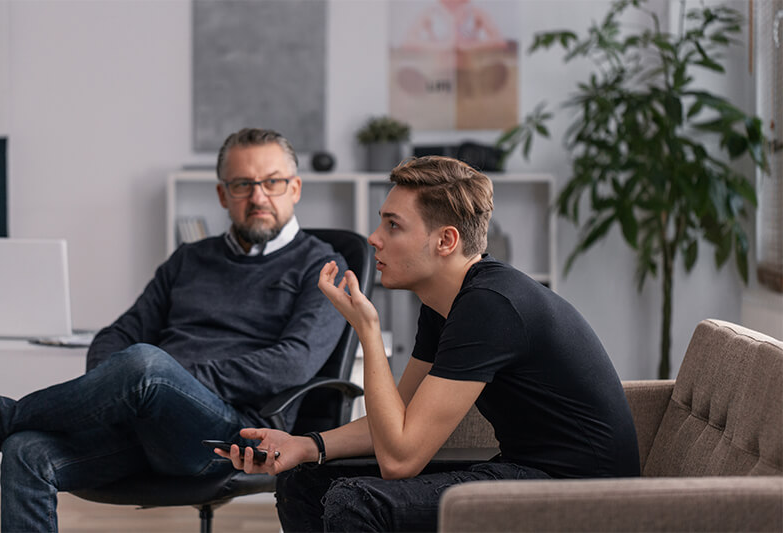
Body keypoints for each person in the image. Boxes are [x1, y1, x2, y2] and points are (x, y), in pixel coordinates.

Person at [215, 155, 640, 532]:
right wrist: (306, 446)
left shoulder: (490, 306)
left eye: (393, 225)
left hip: (581, 494)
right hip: (526, 472)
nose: (374, 238)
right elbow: (395, 423)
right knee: (304, 480)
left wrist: (367, 329)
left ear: (446, 241)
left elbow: (400, 461)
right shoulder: (445, 303)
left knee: (357, 502)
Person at [0, 127, 348, 533]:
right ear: (223, 195)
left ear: (295, 188)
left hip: (231, 434)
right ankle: (6, 427)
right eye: (243, 184)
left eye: (272, 182)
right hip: (145, 419)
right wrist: (117, 386)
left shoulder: (322, 267)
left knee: (146, 365)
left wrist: (170, 380)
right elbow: (116, 336)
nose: (258, 196)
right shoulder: (189, 259)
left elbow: (293, 363)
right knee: (24, 450)